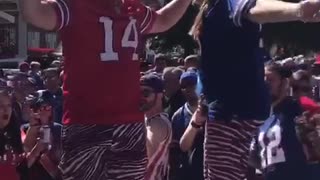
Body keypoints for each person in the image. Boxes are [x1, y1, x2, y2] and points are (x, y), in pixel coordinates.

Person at [20, 0, 193, 179]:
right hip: (87, 123)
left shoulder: (132, 8)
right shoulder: (74, 6)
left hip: (128, 125)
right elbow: (35, 13)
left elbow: (163, 19)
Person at [190, 0, 320, 179]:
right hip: (233, 113)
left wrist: (298, 10)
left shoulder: (220, 7)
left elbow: (253, 8)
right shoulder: (219, 7)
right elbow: (252, 9)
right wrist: (297, 10)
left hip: (232, 114)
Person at [249, 62, 309, 180]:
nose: (265, 84)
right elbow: (253, 156)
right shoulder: (259, 115)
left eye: (270, 79)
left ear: (283, 83)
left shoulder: (296, 108)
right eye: (263, 80)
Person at [170, 70, 204, 180]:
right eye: (184, 86)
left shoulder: (212, 112)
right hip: (188, 172)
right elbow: (175, 150)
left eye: (192, 84)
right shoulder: (178, 116)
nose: (188, 89)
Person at [140, 73, 172, 180]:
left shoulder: (158, 123)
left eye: (145, 93)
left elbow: (145, 154)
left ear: (160, 95)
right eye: (138, 92)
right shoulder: (147, 119)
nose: (141, 97)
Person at [0, 89, 29, 180]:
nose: (6, 110)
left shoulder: (17, 133)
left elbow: (24, 164)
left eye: (9, 105)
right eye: (1, 106)